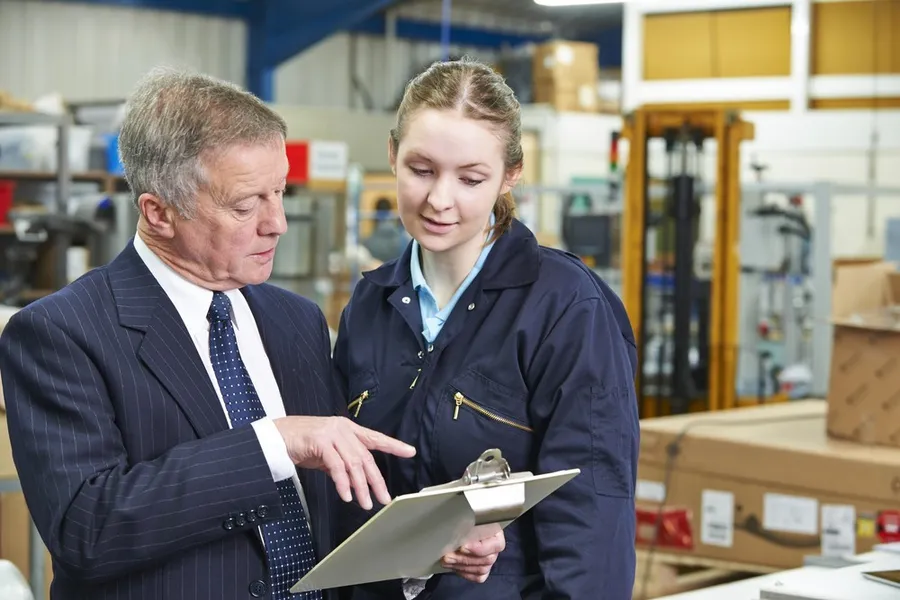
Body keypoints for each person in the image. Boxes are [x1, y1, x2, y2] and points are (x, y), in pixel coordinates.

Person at [0, 68, 501, 600]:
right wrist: (273, 443)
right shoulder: (60, 333)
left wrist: (423, 547)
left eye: (280, 192)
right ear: (158, 212)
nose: (277, 222)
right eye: (246, 205)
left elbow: (329, 506)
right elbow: (87, 531)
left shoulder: (295, 320)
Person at [333, 58, 640, 600]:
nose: (439, 200)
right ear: (391, 155)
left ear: (510, 175)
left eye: (471, 178)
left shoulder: (566, 308)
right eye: (421, 169)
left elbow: (593, 520)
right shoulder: (369, 305)